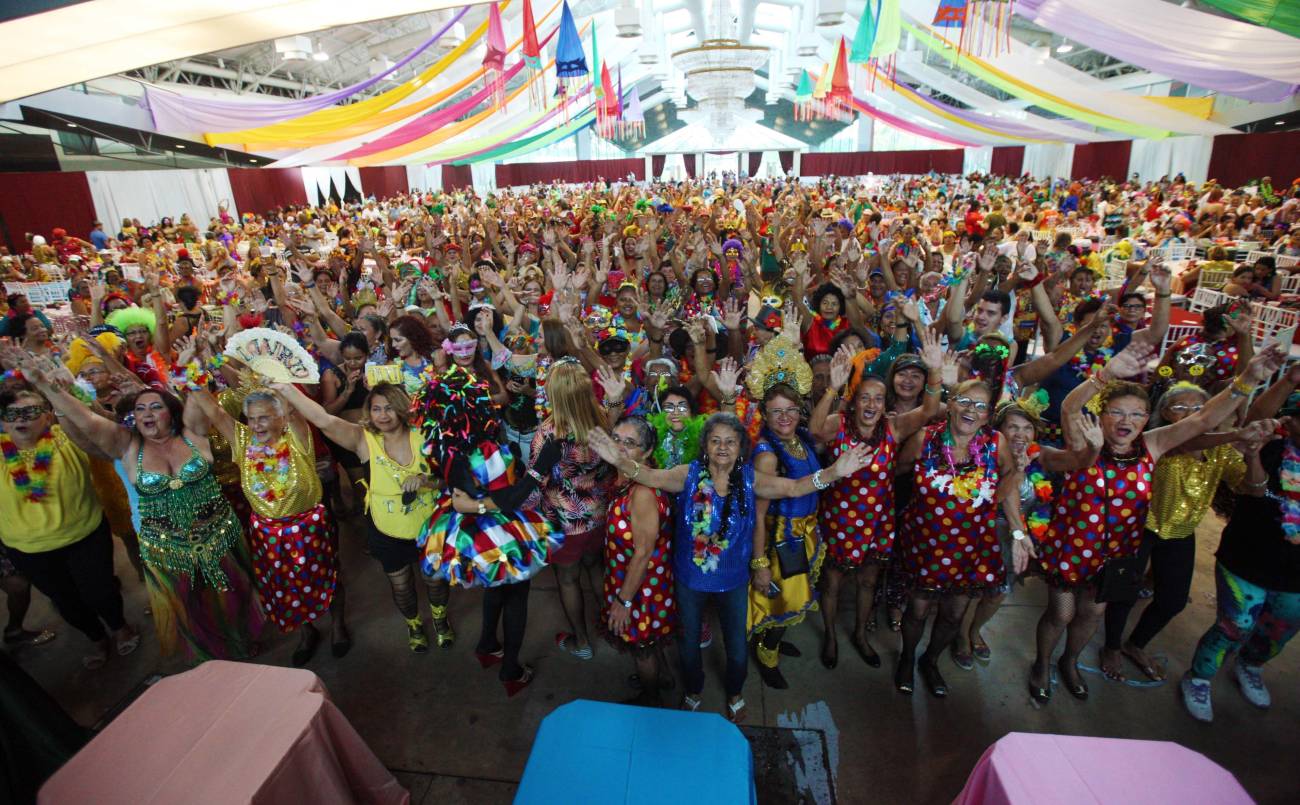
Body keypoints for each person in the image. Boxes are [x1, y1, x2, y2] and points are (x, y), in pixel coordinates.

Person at [1030, 341, 1284, 704]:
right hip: (1071, 548)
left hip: (1115, 554)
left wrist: (1247, 379)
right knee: (1061, 612)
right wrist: (1105, 375)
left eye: (1136, 415)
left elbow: (1202, 419)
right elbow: (1071, 405)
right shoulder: (1085, 439)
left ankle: (1069, 662)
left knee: (1092, 613)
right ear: (1101, 416)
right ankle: (1041, 664)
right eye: (1116, 413)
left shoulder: (1152, 445)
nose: (1125, 422)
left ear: (1147, 419)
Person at [588, 413, 872, 723]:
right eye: (715, 440)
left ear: (741, 448)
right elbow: (650, 477)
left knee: (736, 647)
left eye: (730, 441)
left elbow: (793, 488)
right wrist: (618, 458)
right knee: (689, 646)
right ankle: (693, 690)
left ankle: (735, 692)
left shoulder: (751, 480)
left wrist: (833, 472)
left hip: (734, 582)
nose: (722, 447)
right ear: (705, 446)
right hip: (689, 580)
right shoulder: (688, 475)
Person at [21, 356, 263, 663]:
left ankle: (241, 638)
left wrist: (187, 363)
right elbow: (84, 419)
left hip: (220, 536)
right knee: (188, 606)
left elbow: (197, 396)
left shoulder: (192, 434)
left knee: (233, 594)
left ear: (171, 414)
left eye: (155, 406)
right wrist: (45, 385)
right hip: (167, 549)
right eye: (139, 409)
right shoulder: (127, 445)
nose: (146, 414)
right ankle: (211, 657)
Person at [412, 365, 563, 695]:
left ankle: (486, 644)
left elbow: (451, 483)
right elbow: (510, 498)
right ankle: (510, 669)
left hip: (466, 532)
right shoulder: (486, 451)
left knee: (495, 585)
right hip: (494, 525)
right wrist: (540, 467)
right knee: (516, 593)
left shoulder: (437, 447)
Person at [271, 381, 448, 652]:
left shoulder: (425, 434)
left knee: (435, 581)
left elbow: (447, 480)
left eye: (389, 408)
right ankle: (413, 624)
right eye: (376, 409)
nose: (383, 415)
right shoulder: (363, 439)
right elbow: (323, 419)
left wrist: (425, 480)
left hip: (430, 525)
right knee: (401, 587)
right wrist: (286, 389)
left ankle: (440, 619)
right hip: (386, 529)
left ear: (402, 408)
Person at [809, 331, 944, 670]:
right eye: (865, 398)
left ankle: (859, 634)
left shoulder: (893, 429)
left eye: (878, 400)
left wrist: (936, 370)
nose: (871, 405)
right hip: (839, 520)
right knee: (833, 583)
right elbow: (813, 431)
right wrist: (833, 388)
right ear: (855, 401)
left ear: (885, 405)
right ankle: (829, 635)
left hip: (877, 521)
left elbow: (929, 409)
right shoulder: (837, 424)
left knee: (869, 581)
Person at [191, 385, 349, 666]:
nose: (256, 424)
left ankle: (337, 626)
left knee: (328, 579)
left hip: (308, 527)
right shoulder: (243, 441)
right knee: (283, 587)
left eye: (263, 417)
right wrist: (187, 375)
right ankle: (306, 632)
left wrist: (281, 384)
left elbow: (297, 412)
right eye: (251, 418)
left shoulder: (297, 439)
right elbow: (215, 412)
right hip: (267, 533)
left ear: (281, 418)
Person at [1180, 382, 1300, 722]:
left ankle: (1250, 665)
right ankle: (1200, 677)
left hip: (1295, 574)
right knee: (1235, 624)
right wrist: (1289, 376)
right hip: (1247, 560)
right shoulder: (1269, 449)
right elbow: (1256, 491)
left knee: (1281, 628)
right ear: (1289, 423)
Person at [0, 381, 137, 669]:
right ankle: (96, 638)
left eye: (31, 411)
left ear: (48, 416)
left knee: (101, 592)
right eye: (12, 414)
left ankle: (120, 626)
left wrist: (52, 385)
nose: (21, 419)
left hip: (85, 535)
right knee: (67, 603)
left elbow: (95, 426)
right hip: (29, 550)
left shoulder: (66, 438)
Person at [531, 358, 616, 661]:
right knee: (596, 568)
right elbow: (610, 468)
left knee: (568, 579)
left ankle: (581, 641)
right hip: (599, 514)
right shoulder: (605, 419)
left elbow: (536, 482)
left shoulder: (547, 433)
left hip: (564, 523)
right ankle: (612, 627)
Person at [600, 416, 677, 705]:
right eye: (616, 439)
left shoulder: (642, 491)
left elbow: (643, 552)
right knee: (649, 641)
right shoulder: (625, 477)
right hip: (633, 580)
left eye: (629, 443)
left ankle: (651, 697)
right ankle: (663, 677)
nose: (619, 447)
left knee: (641, 648)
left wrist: (624, 601)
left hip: (641, 588)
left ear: (645, 452)